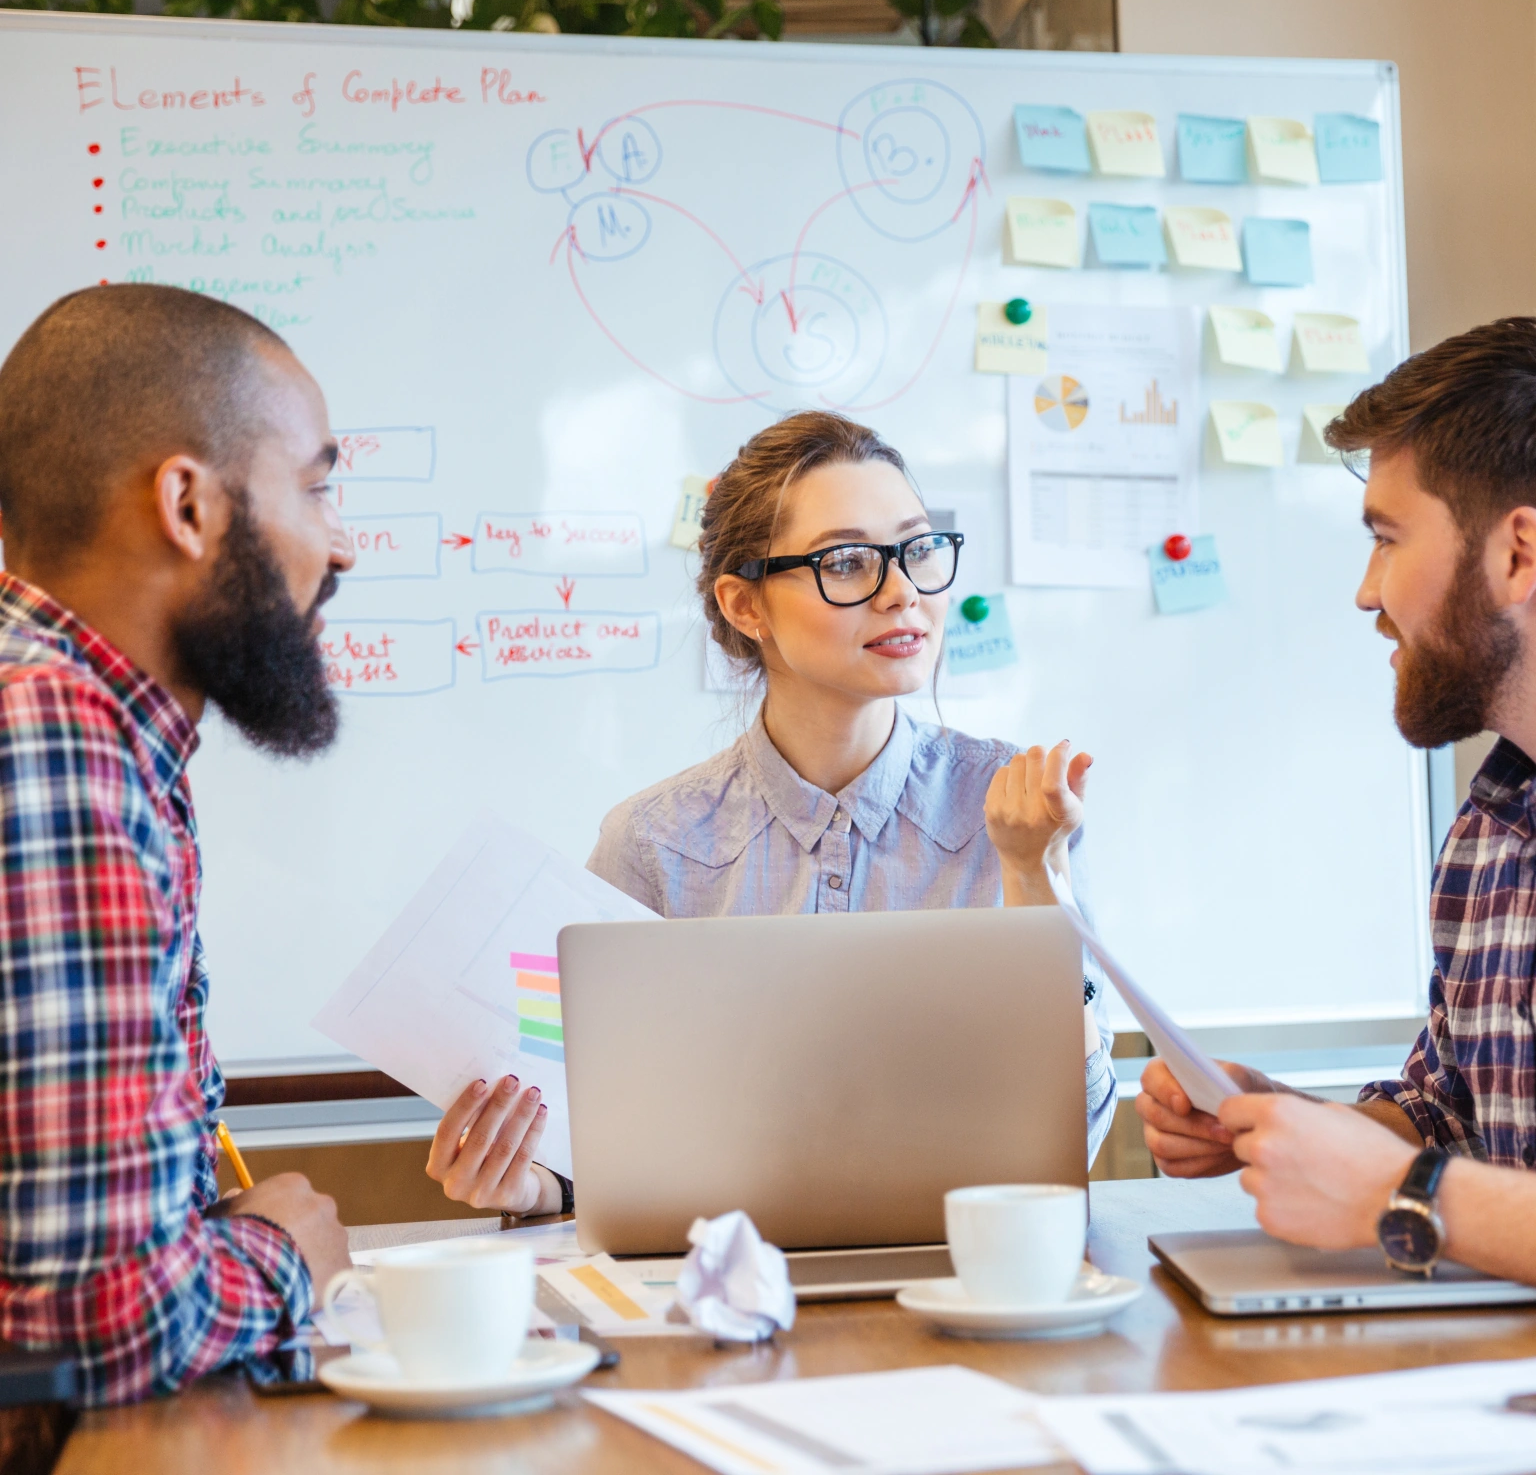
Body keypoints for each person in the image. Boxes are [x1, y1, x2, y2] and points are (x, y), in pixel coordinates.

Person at [432, 411, 1116, 1219]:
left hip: (967, 1276)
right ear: (746, 606)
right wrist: (538, 1186)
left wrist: (1034, 874)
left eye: (920, 549)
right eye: (849, 561)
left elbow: (1080, 1132)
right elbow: (611, 1144)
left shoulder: (1011, 806)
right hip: (719, 1298)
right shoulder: (654, 844)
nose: (904, 593)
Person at [0, 284, 361, 1404]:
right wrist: (286, 1255)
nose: (339, 547)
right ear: (189, 505)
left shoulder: (90, 725)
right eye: (314, 488)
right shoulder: (52, 737)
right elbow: (95, 1327)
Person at [1135, 318, 1536, 1286]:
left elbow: (1428, 1175)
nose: (1368, 593)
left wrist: (1405, 1195)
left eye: (1387, 540)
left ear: (1519, 553)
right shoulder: (1491, 837)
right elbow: (1448, 1117)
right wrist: (1283, 1127)